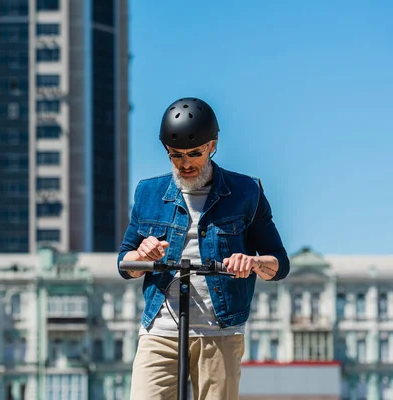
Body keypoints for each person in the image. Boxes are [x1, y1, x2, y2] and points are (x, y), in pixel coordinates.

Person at [117, 97, 290, 400]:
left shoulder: (246, 192)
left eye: (194, 153)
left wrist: (252, 262)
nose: (185, 164)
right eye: (175, 155)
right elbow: (124, 264)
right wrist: (142, 255)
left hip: (220, 331)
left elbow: (279, 264)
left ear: (213, 145)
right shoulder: (149, 193)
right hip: (160, 331)